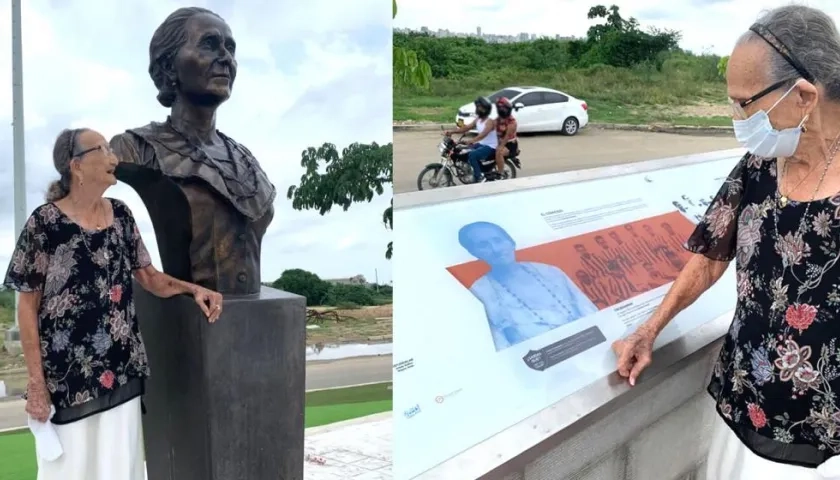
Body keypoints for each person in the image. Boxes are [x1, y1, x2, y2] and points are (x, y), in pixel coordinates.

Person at [611, 5, 840, 479]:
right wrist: (648, 329)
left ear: (803, 96)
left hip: (827, 439)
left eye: (743, 102)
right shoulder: (760, 165)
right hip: (745, 408)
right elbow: (710, 257)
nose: (736, 117)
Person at [6, 127, 224, 480]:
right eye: (103, 149)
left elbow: (150, 277)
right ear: (76, 165)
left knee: (119, 468)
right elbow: (26, 307)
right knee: (69, 471)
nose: (114, 158)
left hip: (121, 369)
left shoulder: (121, 215)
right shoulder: (44, 224)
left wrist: (193, 290)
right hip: (67, 380)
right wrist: (36, 384)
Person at [111, 6, 276, 296]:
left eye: (230, 48)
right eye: (209, 44)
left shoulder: (245, 160)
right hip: (190, 318)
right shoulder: (133, 148)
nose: (226, 59)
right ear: (168, 67)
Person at [458, 221, 598, 351]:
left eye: (498, 240)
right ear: (474, 253)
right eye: (483, 245)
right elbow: (501, 345)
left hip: (587, 344)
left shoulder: (549, 271)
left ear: (511, 242)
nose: (496, 249)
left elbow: (588, 310)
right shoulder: (480, 293)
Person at [444, 96, 498, 183]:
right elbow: (466, 128)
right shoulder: (478, 119)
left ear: (485, 109)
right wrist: (451, 132)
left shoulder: (489, 121)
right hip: (482, 144)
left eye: (479, 107)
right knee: (462, 150)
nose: (477, 108)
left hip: (491, 147)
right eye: (477, 107)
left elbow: (483, 135)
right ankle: (471, 169)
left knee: (472, 155)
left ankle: (479, 177)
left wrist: (471, 141)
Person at [494, 97, 518, 177]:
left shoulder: (512, 121)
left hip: (509, 144)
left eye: (504, 108)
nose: (503, 110)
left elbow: (507, 136)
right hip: (500, 142)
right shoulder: (498, 119)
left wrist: (500, 147)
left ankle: (500, 173)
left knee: (499, 152)